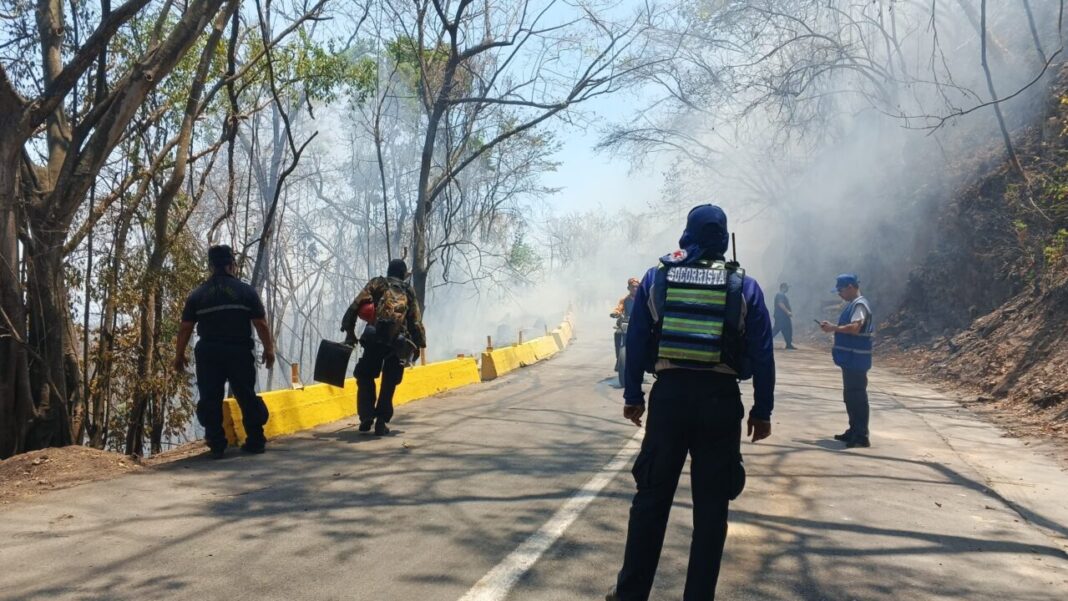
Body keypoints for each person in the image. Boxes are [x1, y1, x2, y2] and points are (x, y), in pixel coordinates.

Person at [607, 204, 776, 601]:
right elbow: (763, 353)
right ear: (724, 237)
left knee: (650, 499)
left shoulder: (657, 277)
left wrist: (633, 395)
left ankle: (630, 594)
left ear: (687, 233)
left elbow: (635, 342)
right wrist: (762, 410)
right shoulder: (744, 286)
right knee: (712, 510)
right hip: (720, 402)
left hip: (668, 399)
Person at [173, 245, 275, 458]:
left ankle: (217, 444)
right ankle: (255, 440)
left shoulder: (198, 295)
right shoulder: (246, 292)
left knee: (210, 397)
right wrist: (269, 349)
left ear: (211, 266)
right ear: (233, 265)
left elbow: (185, 328)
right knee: (246, 394)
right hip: (238, 351)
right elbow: (261, 324)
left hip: (209, 353)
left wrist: (179, 354)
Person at [341, 259, 426, 436]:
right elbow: (416, 321)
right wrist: (419, 344)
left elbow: (355, 305)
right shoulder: (408, 291)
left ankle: (366, 415)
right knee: (389, 383)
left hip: (374, 337)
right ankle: (381, 421)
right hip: (398, 342)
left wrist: (349, 332)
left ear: (388, 271)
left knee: (364, 375)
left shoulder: (377, 283)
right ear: (403, 274)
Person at [820, 273, 874, 448]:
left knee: (857, 396)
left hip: (856, 359)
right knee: (850, 396)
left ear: (851, 287)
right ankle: (854, 430)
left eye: (840, 290)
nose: (839, 294)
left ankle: (861, 435)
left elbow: (856, 327)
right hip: (851, 359)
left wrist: (833, 328)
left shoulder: (859, 305)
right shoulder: (853, 305)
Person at [611, 277, 640, 358]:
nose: (635, 289)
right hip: (627, 323)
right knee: (617, 333)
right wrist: (615, 313)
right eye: (632, 287)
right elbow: (619, 308)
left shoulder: (643, 299)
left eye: (637, 287)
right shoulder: (624, 300)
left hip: (639, 323)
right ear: (628, 288)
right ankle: (618, 358)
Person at [771, 282, 796, 349]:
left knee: (787, 329)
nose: (788, 289)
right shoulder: (780, 295)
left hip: (783, 316)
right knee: (776, 329)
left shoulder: (782, 295)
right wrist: (787, 312)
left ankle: (788, 344)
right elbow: (780, 303)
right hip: (781, 316)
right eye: (787, 287)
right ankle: (765, 341)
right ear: (783, 287)